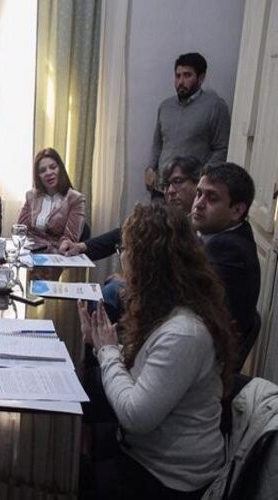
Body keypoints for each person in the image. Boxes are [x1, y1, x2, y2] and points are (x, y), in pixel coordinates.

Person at [79, 203, 233, 498]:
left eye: (125, 249)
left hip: (169, 479)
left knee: (74, 474)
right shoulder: (170, 307)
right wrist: (100, 344)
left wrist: (107, 351)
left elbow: (135, 416)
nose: (122, 256)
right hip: (150, 454)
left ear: (146, 261)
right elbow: (150, 366)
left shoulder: (184, 332)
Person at [61, 156, 202, 260]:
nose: (170, 191)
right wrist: (80, 247)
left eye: (178, 182)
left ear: (198, 183)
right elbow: (123, 233)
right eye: (166, 185)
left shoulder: (203, 224)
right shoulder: (165, 218)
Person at [191, 162, 260, 361]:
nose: (199, 203)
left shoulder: (229, 249)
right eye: (199, 193)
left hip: (206, 359)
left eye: (212, 198)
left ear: (237, 210)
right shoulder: (214, 230)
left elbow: (187, 302)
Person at [144, 52, 231, 197]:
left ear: (201, 78)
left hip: (190, 192)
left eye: (187, 75)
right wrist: (150, 169)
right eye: (178, 76)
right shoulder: (165, 106)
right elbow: (158, 144)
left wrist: (201, 175)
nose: (181, 81)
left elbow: (222, 148)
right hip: (161, 189)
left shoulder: (215, 106)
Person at [17, 148, 86, 252]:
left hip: (57, 254)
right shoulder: (31, 196)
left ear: (60, 169)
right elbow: (20, 230)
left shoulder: (76, 199)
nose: (48, 173)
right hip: (30, 252)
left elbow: (69, 240)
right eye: (42, 171)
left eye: (53, 167)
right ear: (38, 176)